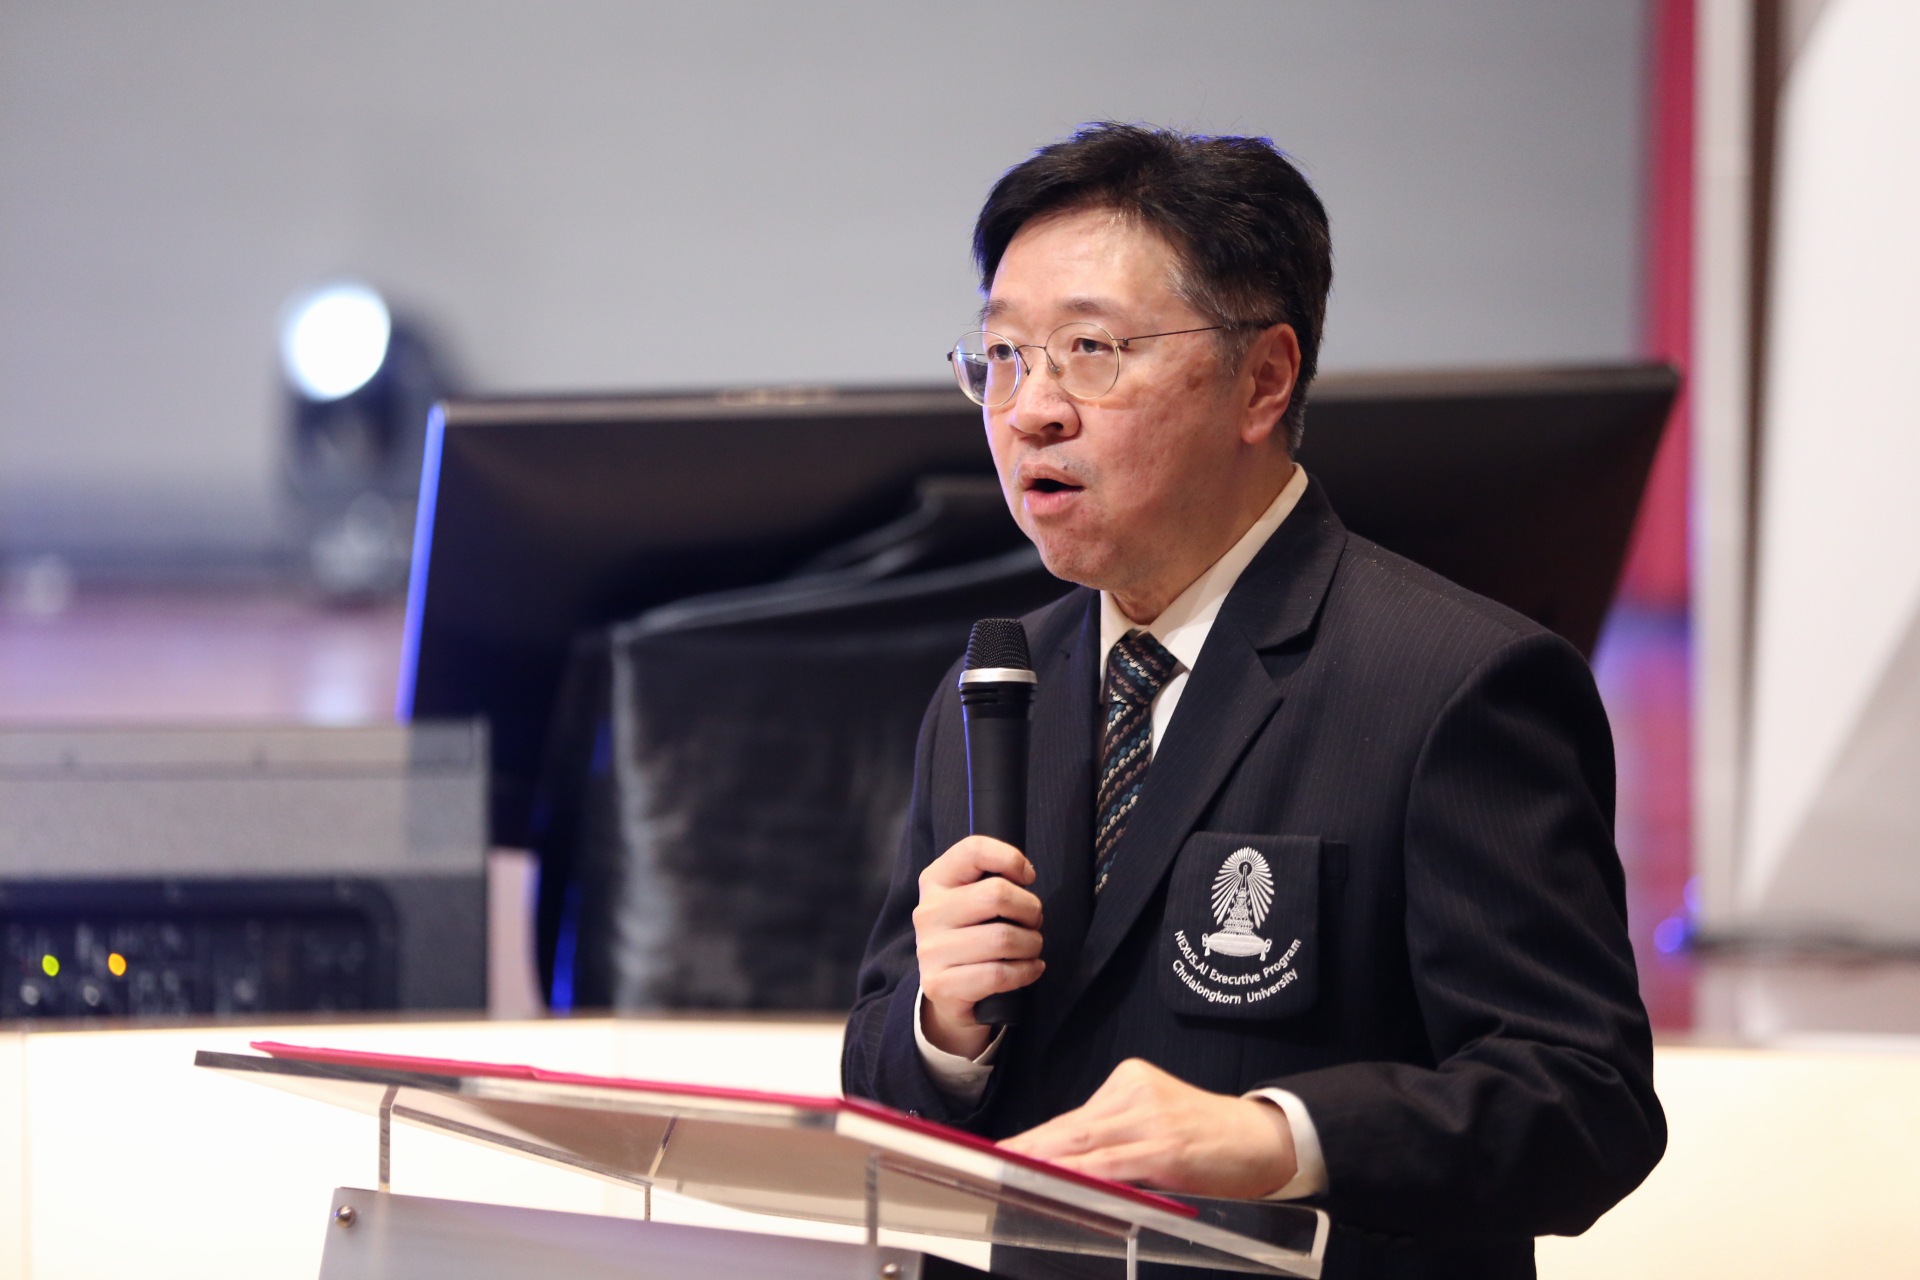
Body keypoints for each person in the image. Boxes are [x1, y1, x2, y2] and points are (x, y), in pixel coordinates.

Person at [841, 123, 1664, 1280]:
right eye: (1004, 355)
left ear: (1264, 379)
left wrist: (1278, 1139)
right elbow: (888, 1094)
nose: (1030, 409)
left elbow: (1581, 1101)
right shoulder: (994, 686)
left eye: (1090, 349)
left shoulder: (1455, 682)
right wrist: (943, 1028)